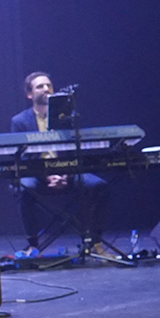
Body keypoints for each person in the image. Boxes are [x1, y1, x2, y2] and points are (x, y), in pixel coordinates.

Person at [11, 71, 109, 252]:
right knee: (24, 188)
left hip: (68, 171)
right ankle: (33, 245)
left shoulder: (67, 118)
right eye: (40, 86)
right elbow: (23, 159)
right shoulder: (20, 121)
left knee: (99, 185)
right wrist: (47, 175)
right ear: (29, 94)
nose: (46, 89)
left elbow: (74, 151)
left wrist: (65, 174)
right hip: (38, 174)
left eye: (49, 85)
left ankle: (95, 242)